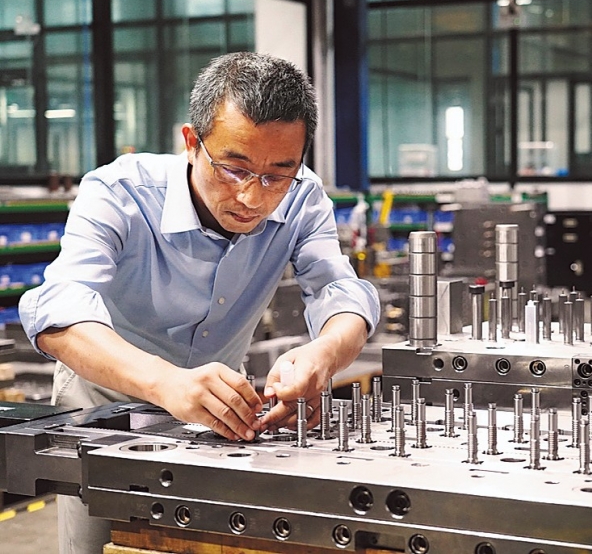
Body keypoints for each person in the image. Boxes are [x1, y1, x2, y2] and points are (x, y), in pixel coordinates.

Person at [18, 51, 380, 554]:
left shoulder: (303, 197)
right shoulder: (119, 193)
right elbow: (57, 313)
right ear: (192, 142)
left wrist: (323, 357)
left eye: (278, 173)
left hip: (218, 417)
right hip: (105, 410)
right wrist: (166, 382)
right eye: (234, 169)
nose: (253, 197)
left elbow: (342, 292)